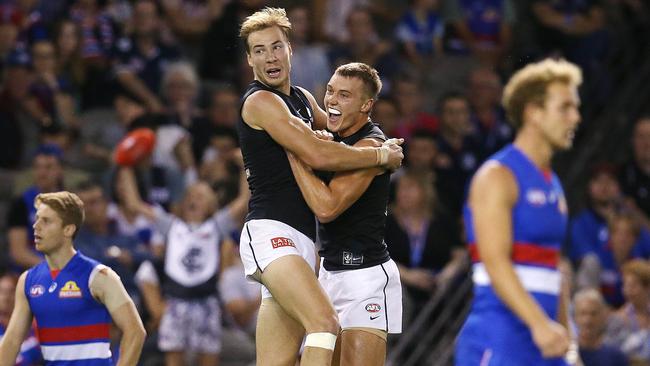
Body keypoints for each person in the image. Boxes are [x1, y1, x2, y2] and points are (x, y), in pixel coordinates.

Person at [237, 8, 404, 366]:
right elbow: (319, 153)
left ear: (289, 50)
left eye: (276, 46)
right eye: (260, 50)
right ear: (250, 59)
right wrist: (379, 158)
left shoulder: (301, 99)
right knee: (324, 324)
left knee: (275, 362)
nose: (270, 56)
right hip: (271, 232)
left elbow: (341, 134)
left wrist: (377, 143)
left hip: (307, 243)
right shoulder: (261, 101)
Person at [455, 58, 583, 365]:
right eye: (564, 107)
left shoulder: (552, 183)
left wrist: (571, 342)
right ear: (534, 113)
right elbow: (494, 261)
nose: (575, 117)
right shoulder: (497, 176)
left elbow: (556, 268)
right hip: (499, 338)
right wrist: (539, 324)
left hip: (546, 341)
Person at [287, 62, 403, 365]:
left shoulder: (371, 145)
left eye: (344, 95)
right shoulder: (332, 140)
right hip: (328, 274)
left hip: (365, 277)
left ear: (366, 105)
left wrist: (294, 154)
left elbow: (327, 208)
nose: (332, 101)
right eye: (330, 91)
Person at [0, 191, 146, 365]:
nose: (36, 226)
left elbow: (135, 332)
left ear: (68, 229)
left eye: (46, 221)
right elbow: (12, 341)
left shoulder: (99, 276)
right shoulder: (28, 281)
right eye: (37, 219)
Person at [573, 289, 628, 366]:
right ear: (575, 317)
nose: (588, 320)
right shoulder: (566, 353)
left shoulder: (616, 356)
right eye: (583, 313)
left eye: (593, 314)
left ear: (603, 316)